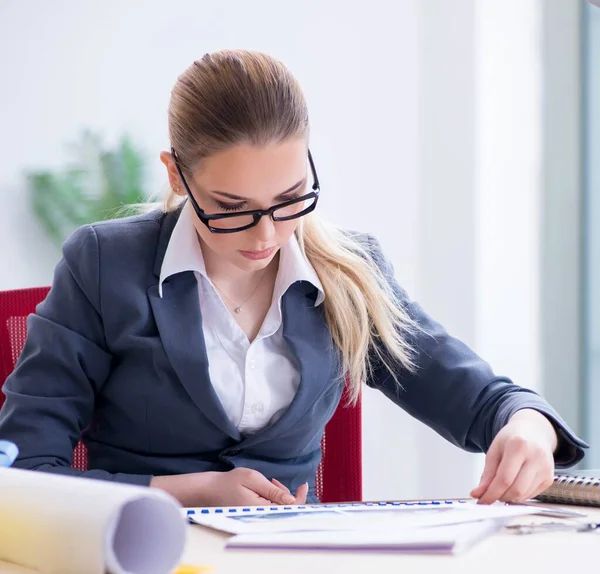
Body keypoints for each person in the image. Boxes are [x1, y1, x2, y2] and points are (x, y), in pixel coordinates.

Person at [0, 50, 587, 508]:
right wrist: (185, 492)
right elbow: (22, 471)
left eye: (289, 199)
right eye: (231, 207)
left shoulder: (349, 275)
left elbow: (481, 398)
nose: (265, 235)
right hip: (143, 553)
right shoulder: (105, 265)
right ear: (177, 176)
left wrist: (526, 426)